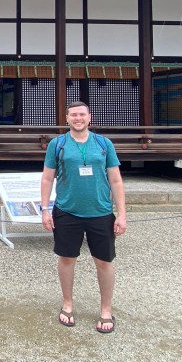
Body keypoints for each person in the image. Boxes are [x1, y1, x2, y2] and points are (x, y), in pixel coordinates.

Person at [39, 101, 127, 333]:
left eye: (82, 114)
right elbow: (47, 178)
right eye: (73, 115)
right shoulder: (58, 144)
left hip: (101, 211)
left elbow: (116, 180)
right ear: (67, 118)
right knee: (67, 258)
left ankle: (106, 309)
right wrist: (45, 209)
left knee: (104, 261)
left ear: (90, 117)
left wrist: (122, 214)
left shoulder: (104, 144)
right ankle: (67, 303)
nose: (78, 118)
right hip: (67, 210)